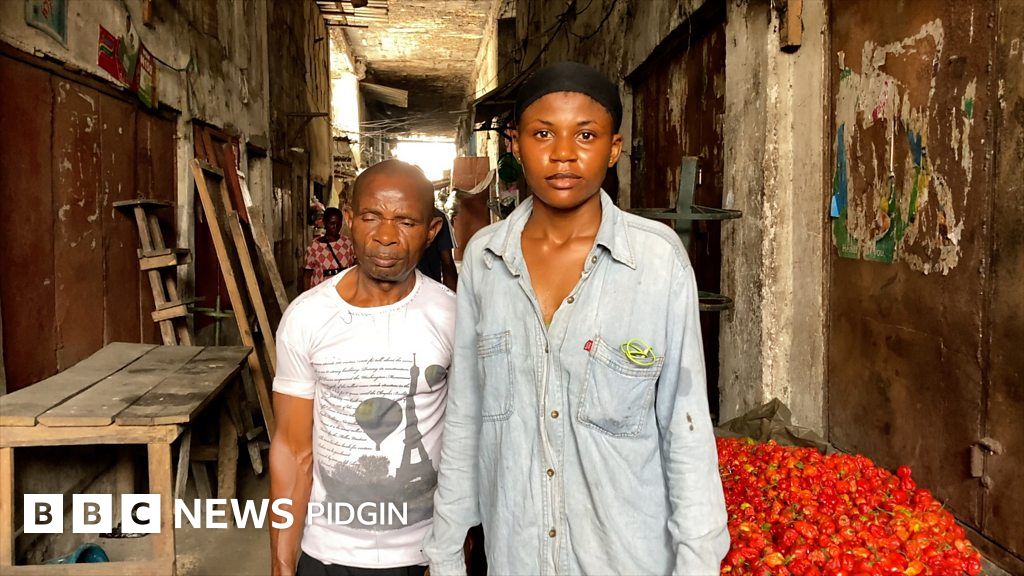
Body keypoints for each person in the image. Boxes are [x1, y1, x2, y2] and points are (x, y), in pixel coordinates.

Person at [424, 62, 729, 575]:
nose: (563, 153)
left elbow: (686, 426)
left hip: (627, 560)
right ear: (515, 145)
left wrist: (697, 562)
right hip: (517, 557)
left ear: (613, 148)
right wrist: (446, 552)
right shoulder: (485, 260)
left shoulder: (656, 261)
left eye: (585, 135)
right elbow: (466, 415)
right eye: (543, 134)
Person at [270, 159, 456, 576]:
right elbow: (292, 450)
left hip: (425, 554)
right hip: (328, 554)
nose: (386, 236)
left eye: (406, 221)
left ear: (431, 230)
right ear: (351, 220)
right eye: (371, 217)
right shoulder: (307, 317)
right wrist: (281, 564)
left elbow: (468, 445)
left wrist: (457, 547)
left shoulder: (453, 316)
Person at [303, 207, 357, 291]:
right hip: (320, 292)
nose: (335, 227)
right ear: (324, 222)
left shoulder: (347, 243)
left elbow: (354, 268)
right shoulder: (314, 246)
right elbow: (307, 275)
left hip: (343, 290)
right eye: (332, 223)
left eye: (338, 224)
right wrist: (306, 295)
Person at [416, 208, 458, 292]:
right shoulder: (438, 214)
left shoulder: (438, 215)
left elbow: (447, 262)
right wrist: (452, 297)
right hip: (430, 290)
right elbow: (447, 262)